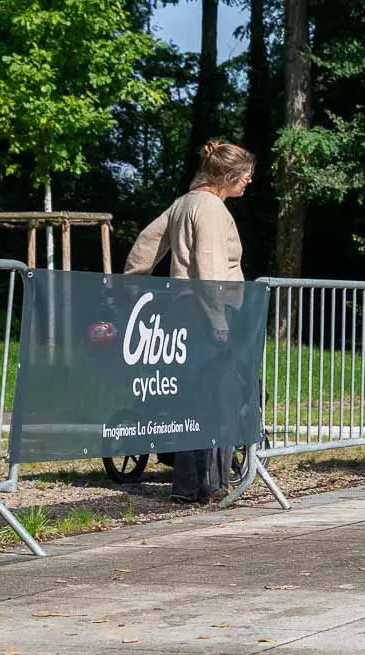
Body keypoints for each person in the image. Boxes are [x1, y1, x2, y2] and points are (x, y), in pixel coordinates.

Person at [124, 139, 255, 503]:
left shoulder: (183, 203)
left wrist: (132, 288)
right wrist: (219, 323)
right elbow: (210, 268)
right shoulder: (212, 208)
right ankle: (211, 486)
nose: (248, 182)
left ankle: (186, 486)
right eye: (245, 176)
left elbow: (143, 247)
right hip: (210, 313)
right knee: (219, 399)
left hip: (183, 313)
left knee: (191, 398)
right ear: (228, 175)